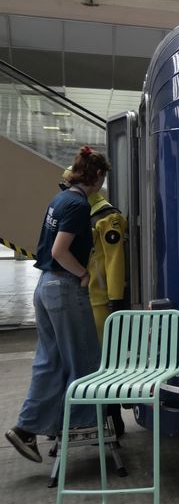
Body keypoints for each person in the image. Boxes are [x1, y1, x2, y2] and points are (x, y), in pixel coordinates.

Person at [6, 146, 108, 463]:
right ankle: (80, 425)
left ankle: (26, 428)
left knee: (50, 361)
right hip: (64, 287)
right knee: (83, 359)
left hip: (45, 286)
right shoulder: (78, 205)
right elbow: (61, 250)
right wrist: (84, 274)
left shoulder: (60, 199)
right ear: (97, 176)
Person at [61, 166, 129, 434]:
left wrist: (115, 299)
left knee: (104, 362)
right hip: (83, 296)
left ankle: (112, 418)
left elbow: (114, 261)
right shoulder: (82, 212)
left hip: (100, 300)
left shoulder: (107, 217)